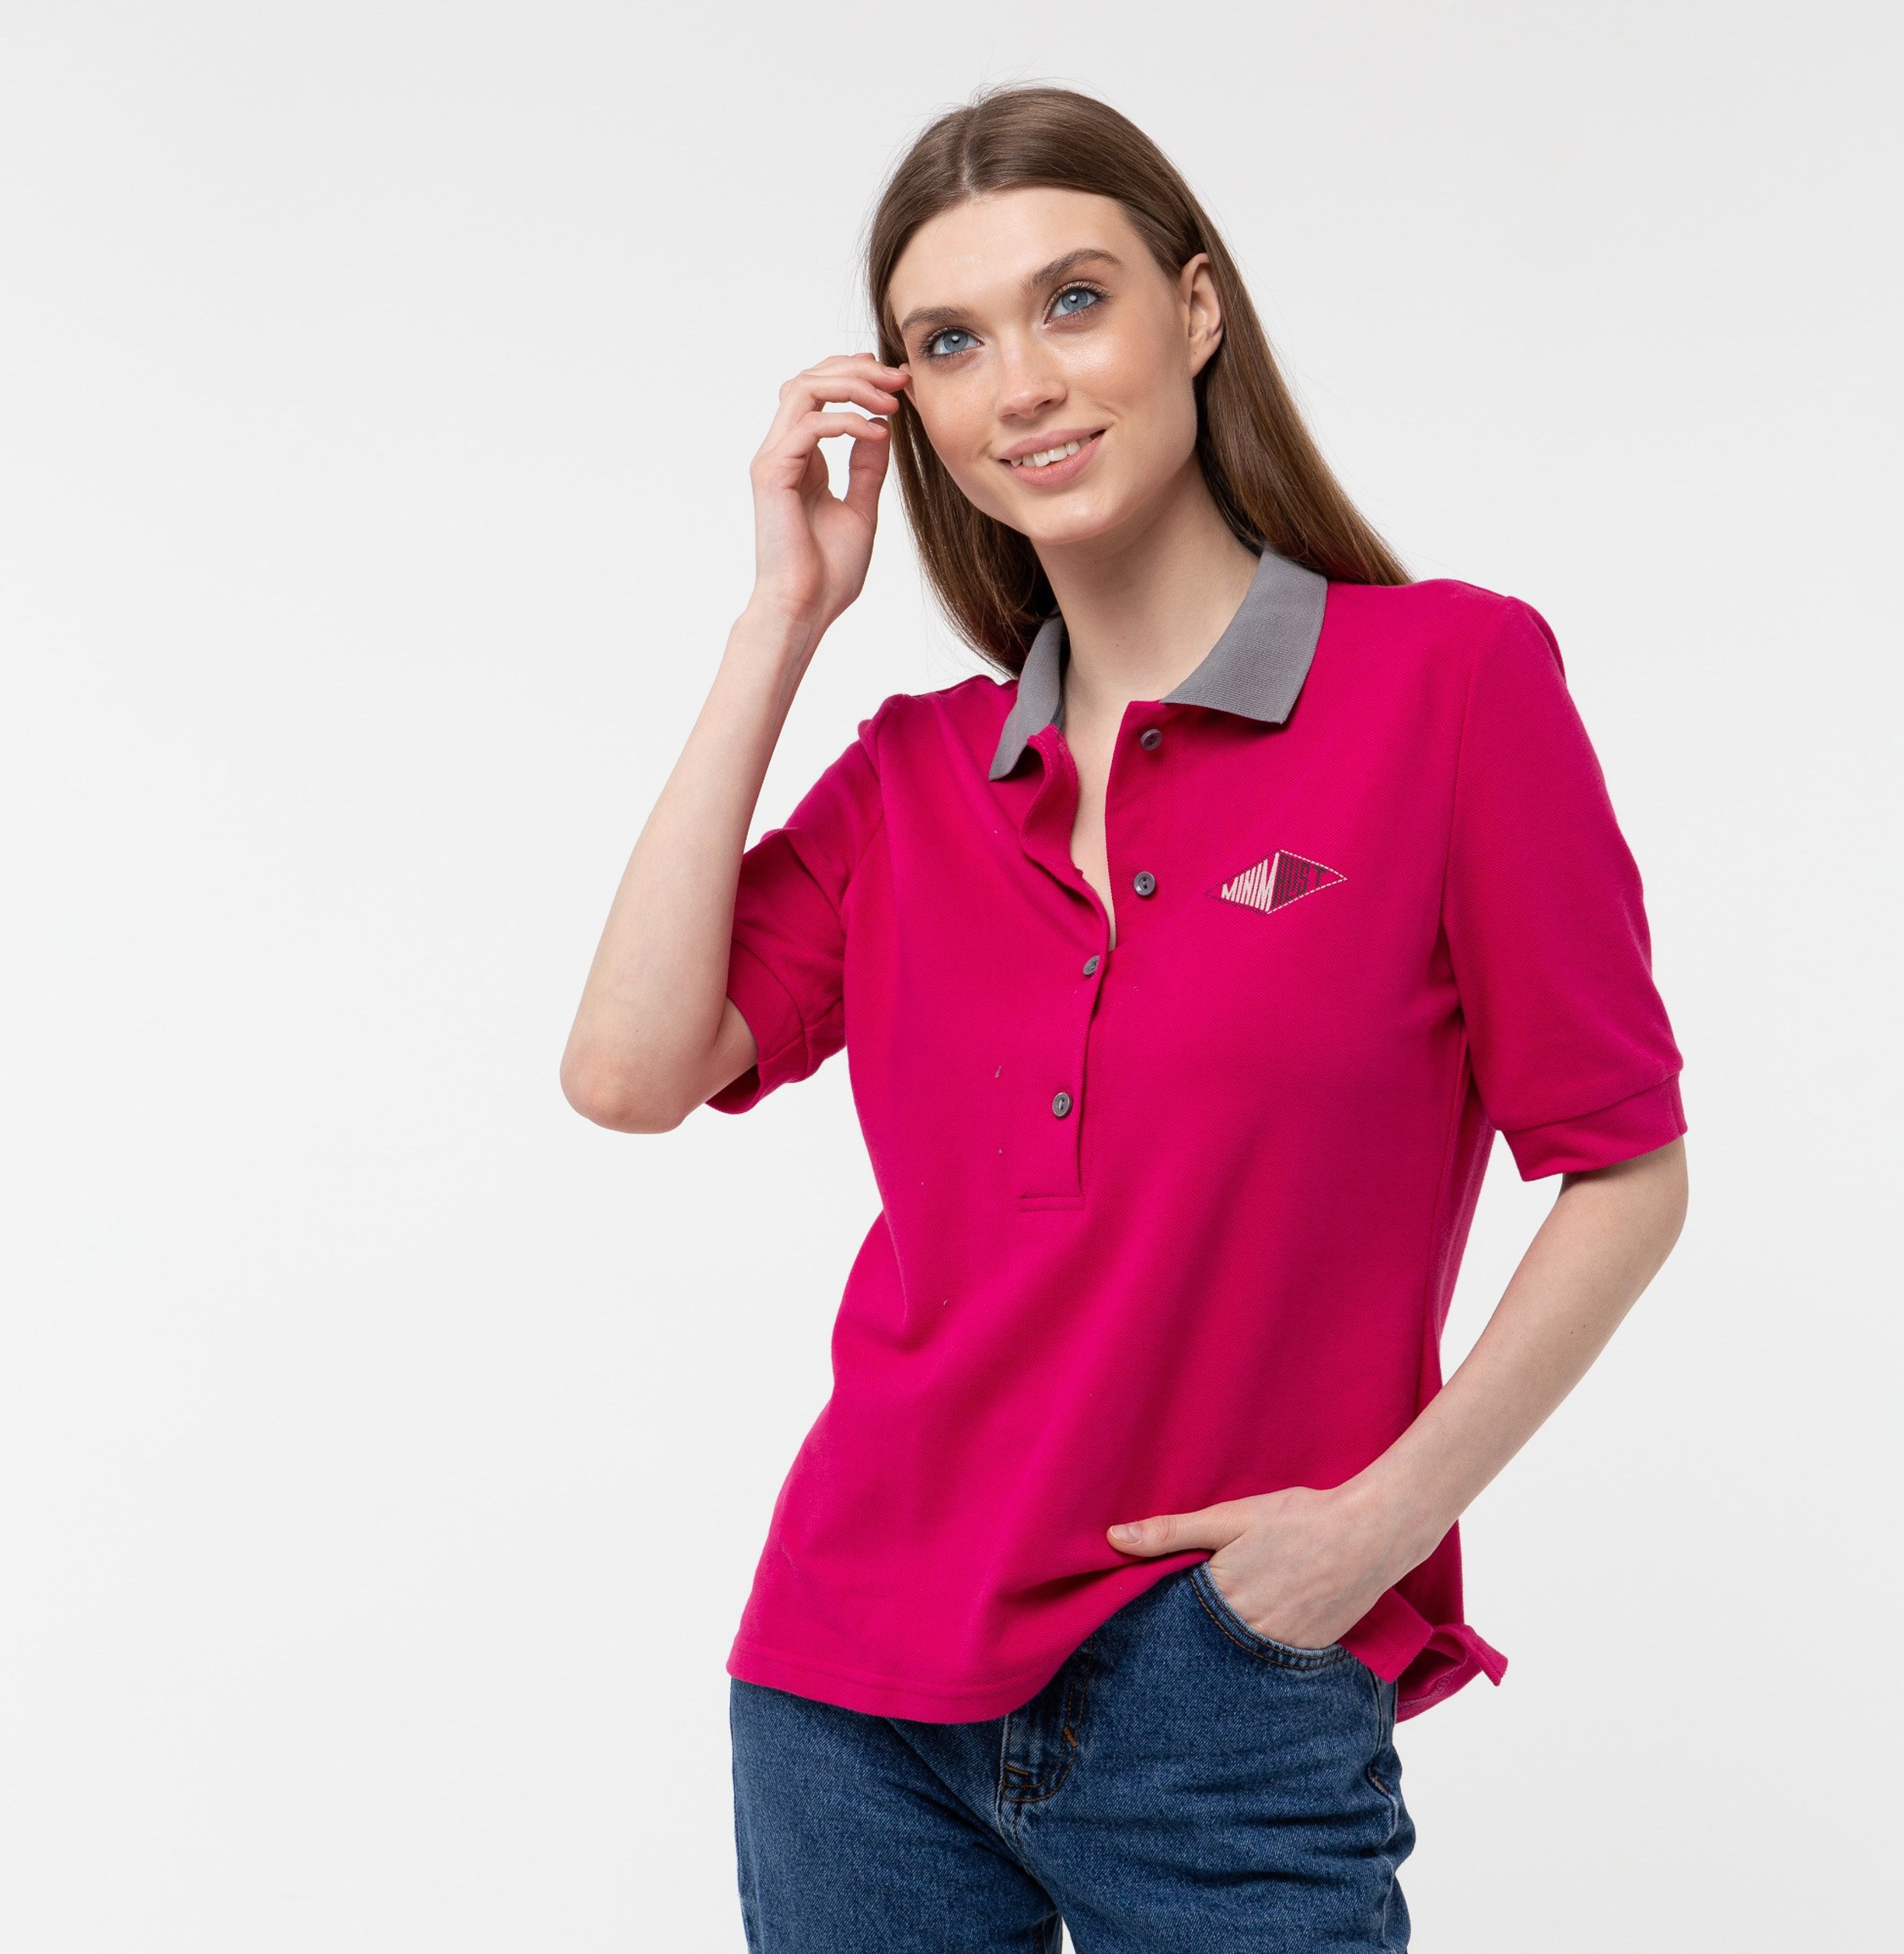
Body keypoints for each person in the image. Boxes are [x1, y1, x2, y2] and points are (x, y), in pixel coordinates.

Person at [561, 82, 1689, 1954]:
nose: (1022, 384)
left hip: (1221, 1685)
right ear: (910, 407)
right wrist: (781, 618)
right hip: (848, 1692)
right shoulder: (913, 774)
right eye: (950, 341)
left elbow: (1625, 1167)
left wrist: (1376, 1523)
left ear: (1195, 308)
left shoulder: (1448, 682)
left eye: (1071, 301)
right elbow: (624, 1071)